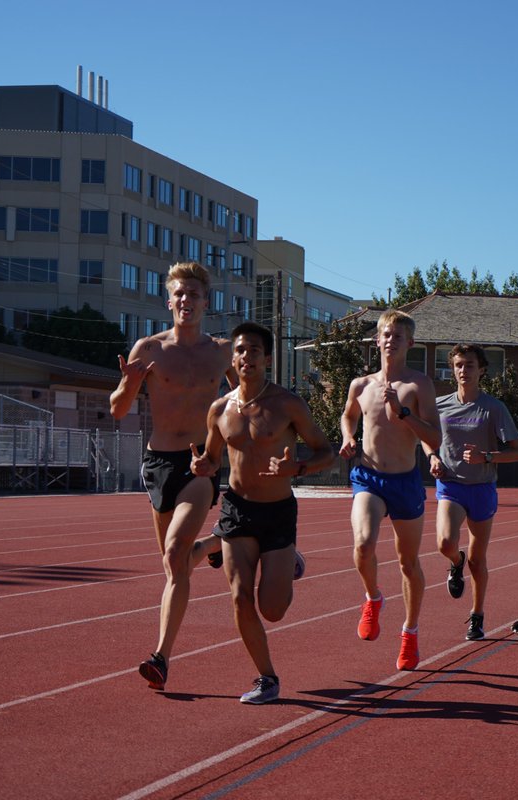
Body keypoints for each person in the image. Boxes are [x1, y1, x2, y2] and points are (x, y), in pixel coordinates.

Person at [190, 322, 335, 704]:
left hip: (278, 512)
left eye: (254, 350)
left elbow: (326, 451)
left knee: (273, 609)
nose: (246, 357)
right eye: (240, 350)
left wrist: (298, 468)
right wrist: (204, 467)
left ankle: (290, 562)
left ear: (267, 358)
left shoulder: (287, 404)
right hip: (237, 510)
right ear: (233, 358)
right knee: (240, 597)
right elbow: (212, 459)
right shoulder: (219, 409)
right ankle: (266, 678)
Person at [108, 261, 236, 691]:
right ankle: (219, 542)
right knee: (174, 561)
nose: (186, 301)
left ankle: (160, 657)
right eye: (179, 294)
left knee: (176, 552)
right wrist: (128, 384)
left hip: (200, 462)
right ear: (169, 301)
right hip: (157, 465)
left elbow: (250, 398)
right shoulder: (150, 349)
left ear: (206, 302)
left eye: (194, 295)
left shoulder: (221, 352)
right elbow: (117, 409)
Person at [339, 309, 441, 670]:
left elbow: (434, 436)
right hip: (368, 477)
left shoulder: (419, 385)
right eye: (386, 334)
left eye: (398, 335)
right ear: (377, 340)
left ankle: (410, 632)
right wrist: (349, 437)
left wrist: (403, 414)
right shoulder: (361, 384)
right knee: (363, 545)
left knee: (407, 562)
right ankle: (372, 597)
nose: (391, 339)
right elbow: (349, 414)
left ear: (409, 343)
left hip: (405, 480)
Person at [423, 344, 518, 642]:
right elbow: (426, 438)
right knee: (444, 542)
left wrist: (488, 457)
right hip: (451, 485)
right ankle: (455, 562)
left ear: (481, 369)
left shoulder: (494, 408)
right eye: (458, 365)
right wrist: (432, 457)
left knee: (478, 561)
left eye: (469, 365)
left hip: (481, 488)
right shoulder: (439, 405)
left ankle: (477, 615)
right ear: (452, 369)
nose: (463, 370)